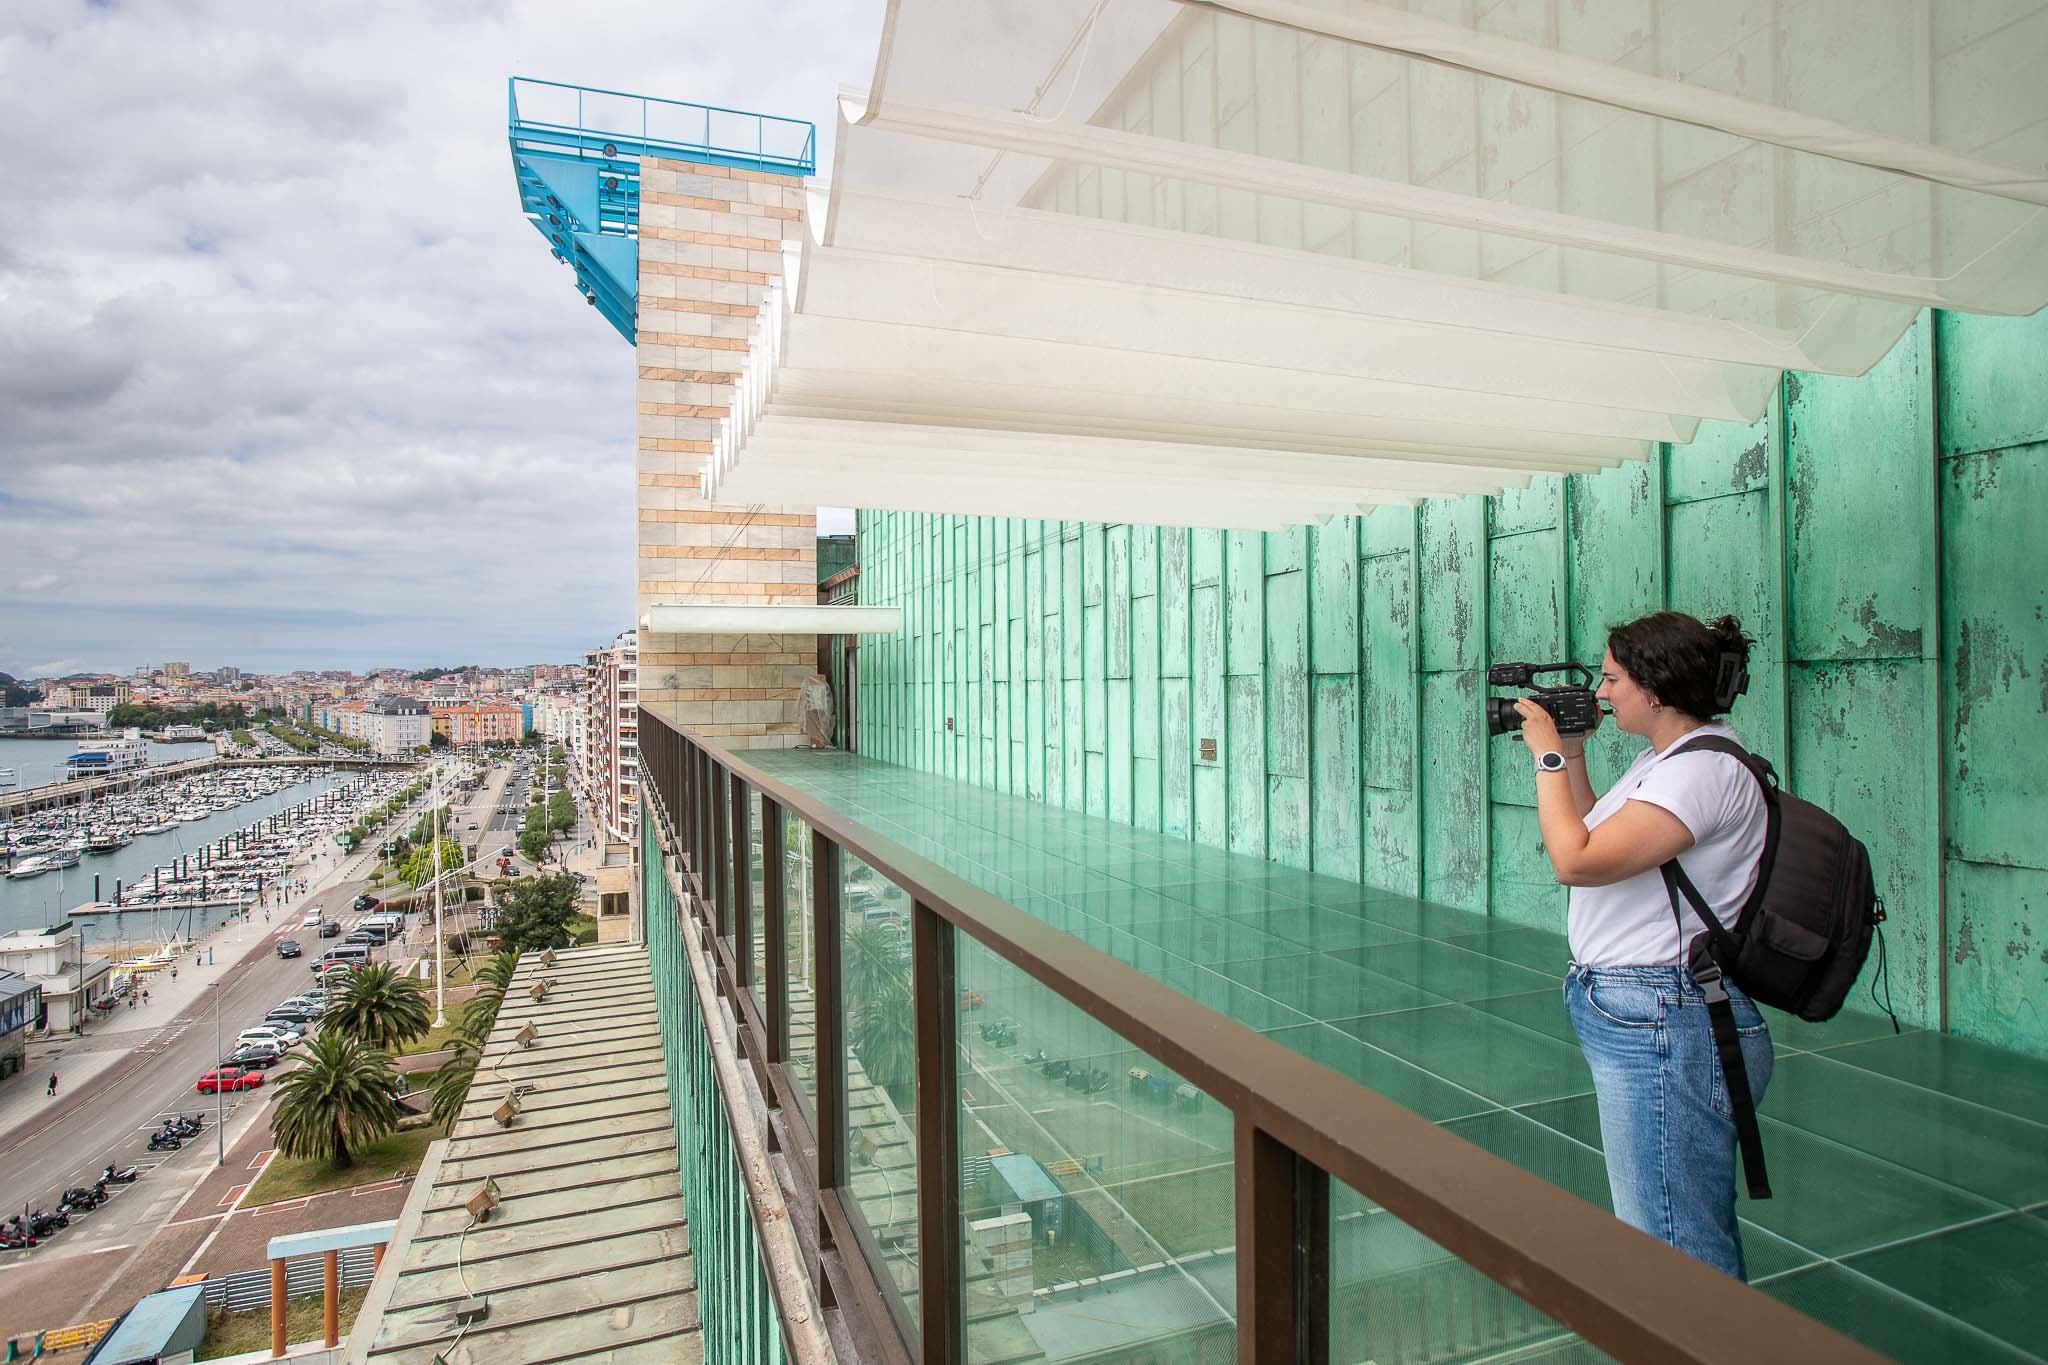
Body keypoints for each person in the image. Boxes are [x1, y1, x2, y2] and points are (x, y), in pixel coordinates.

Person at [1515, 611, 1771, 1281]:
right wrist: (1571, 752)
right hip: (1648, 1010)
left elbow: (1576, 856)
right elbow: (1600, 824)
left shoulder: (1702, 774)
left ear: (1655, 688)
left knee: (1668, 1243)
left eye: (1611, 678)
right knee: (1672, 1224)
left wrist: (1543, 754)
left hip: (1666, 1018)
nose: (1600, 694)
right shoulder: (1667, 760)